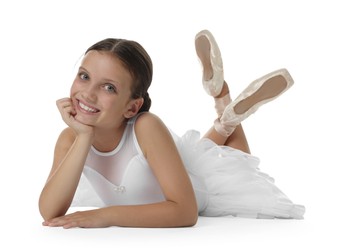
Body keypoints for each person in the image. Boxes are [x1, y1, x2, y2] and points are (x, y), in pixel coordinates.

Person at [39, 29, 305, 229]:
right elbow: (49, 211)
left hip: (201, 192)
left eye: (109, 87)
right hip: (169, 170)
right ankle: (224, 118)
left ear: (132, 107)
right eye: (84, 76)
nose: (88, 93)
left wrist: (104, 216)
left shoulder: (146, 126)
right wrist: (83, 136)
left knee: (240, 163)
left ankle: (223, 99)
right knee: (206, 150)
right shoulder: (69, 139)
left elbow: (185, 212)